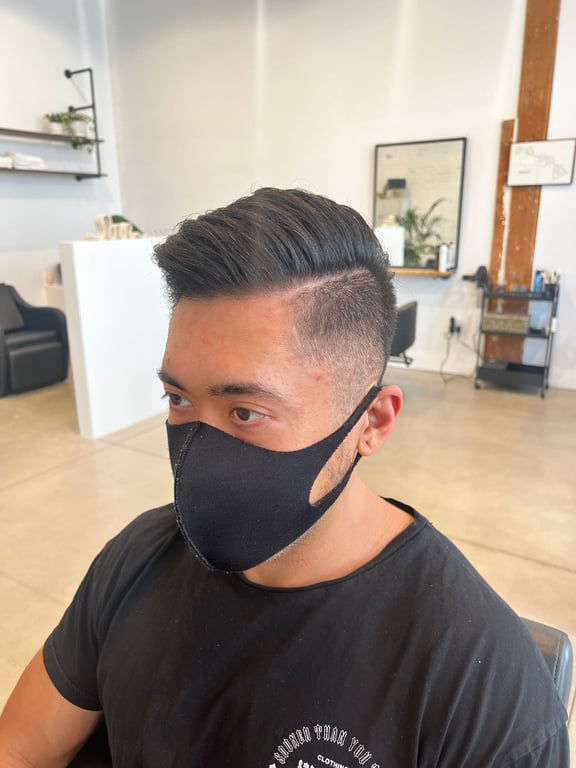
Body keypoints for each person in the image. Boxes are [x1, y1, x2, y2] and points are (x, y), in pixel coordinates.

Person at [0, 188, 568, 767]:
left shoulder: (484, 692)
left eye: (246, 412)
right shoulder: (135, 562)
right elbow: (18, 749)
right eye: (178, 399)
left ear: (372, 421)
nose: (198, 456)